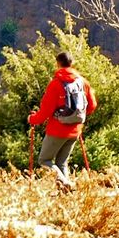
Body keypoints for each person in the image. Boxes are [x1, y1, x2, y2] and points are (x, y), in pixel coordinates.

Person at [28, 52, 98, 190]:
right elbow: (92, 105)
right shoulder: (82, 82)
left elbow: (45, 111)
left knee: (44, 160)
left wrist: (32, 119)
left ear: (58, 64)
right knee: (62, 163)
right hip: (75, 130)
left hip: (57, 129)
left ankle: (66, 184)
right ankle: (66, 194)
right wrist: (76, 118)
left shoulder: (55, 84)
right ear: (72, 63)